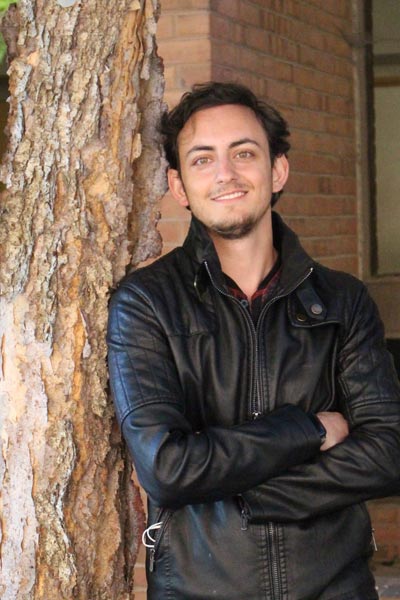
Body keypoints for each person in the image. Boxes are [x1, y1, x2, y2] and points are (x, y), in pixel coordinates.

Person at [107, 82, 400, 600]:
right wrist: (307, 429)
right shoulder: (146, 302)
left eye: (244, 153)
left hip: (335, 589)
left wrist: (242, 497)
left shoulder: (343, 301)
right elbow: (167, 469)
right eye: (202, 160)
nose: (225, 174)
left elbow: (386, 451)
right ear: (178, 186)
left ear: (277, 169)